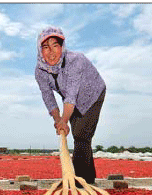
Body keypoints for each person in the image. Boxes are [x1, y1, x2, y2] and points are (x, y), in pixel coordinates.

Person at [35, 26, 106, 185]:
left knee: (81, 134)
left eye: (56, 46)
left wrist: (64, 121)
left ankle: (79, 181)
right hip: (72, 100)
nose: (51, 52)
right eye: (46, 47)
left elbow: (72, 95)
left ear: (62, 47)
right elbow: (48, 96)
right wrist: (57, 119)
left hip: (93, 94)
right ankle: (89, 177)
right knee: (81, 136)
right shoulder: (40, 71)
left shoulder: (75, 60)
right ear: (40, 50)